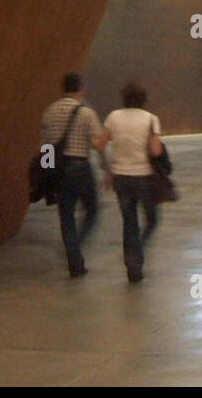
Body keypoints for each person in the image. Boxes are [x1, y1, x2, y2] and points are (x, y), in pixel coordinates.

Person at [96, 81, 163, 283]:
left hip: (121, 178)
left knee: (129, 222)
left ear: (124, 98)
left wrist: (109, 170)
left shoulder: (113, 117)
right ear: (143, 99)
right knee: (151, 219)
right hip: (144, 177)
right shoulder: (151, 119)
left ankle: (132, 266)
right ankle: (137, 251)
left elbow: (100, 145)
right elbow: (156, 151)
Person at [41, 73, 104, 278]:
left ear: (63, 88)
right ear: (81, 89)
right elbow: (97, 145)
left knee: (66, 217)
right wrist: (107, 166)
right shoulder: (87, 113)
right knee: (92, 209)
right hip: (80, 167)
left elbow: (46, 147)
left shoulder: (49, 111)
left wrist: (48, 174)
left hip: (59, 170)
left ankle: (75, 264)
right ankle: (76, 243)